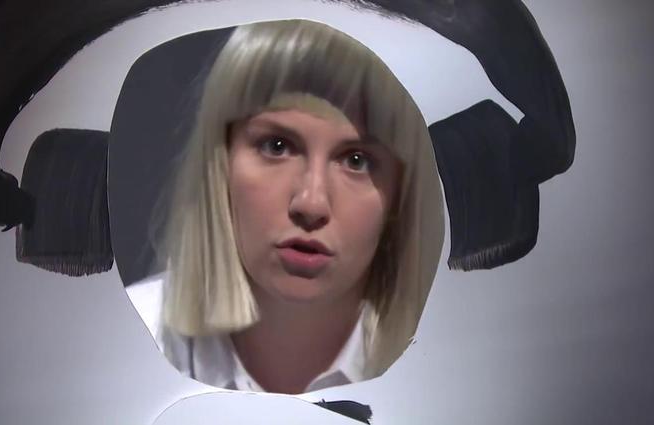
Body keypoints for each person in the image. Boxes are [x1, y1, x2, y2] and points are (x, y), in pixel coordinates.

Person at [126, 19, 445, 394]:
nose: (311, 203)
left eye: (356, 160)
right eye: (276, 146)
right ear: (221, 162)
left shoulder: (452, 375)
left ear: (401, 195)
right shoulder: (124, 339)